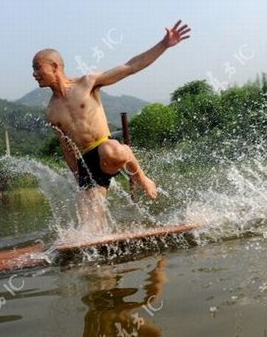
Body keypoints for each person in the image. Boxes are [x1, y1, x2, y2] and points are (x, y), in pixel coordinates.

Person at [33, 21, 190, 232]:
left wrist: (164, 44)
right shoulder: (51, 110)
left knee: (111, 149)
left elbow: (130, 67)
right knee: (88, 226)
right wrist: (78, 179)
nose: (34, 74)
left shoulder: (87, 83)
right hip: (86, 163)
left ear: (54, 66)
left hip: (106, 150)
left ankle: (143, 178)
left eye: (37, 67)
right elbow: (66, 147)